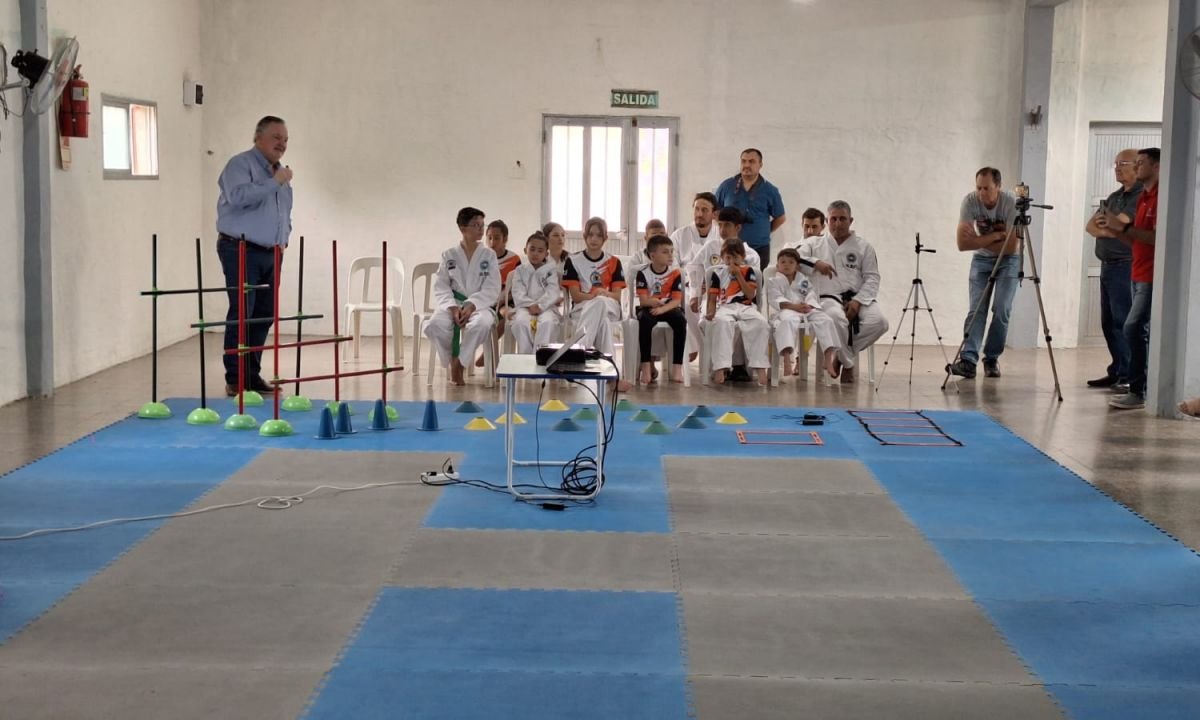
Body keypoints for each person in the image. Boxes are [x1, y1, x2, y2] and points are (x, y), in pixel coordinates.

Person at [216, 115, 293, 397]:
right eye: (276, 137)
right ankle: (236, 378)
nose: (282, 144)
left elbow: (283, 211)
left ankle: (251, 375)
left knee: (263, 314)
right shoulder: (240, 165)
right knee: (242, 313)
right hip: (240, 248)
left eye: (285, 139)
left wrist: (283, 238)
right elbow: (238, 197)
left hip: (272, 252)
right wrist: (274, 182)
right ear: (258, 138)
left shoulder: (280, 173)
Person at [796, 201, 887, 383]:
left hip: (858, 298)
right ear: (827, 221)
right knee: (835, 318)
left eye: (842, 219)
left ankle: (841, 357)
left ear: (850, 221)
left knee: (880, 323)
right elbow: (793, 256)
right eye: (834, 219)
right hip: (828, 298)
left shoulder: (864, 247)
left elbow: (872, 278)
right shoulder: (814, 243)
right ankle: (848, 363)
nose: (837, 223)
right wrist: (816, 263)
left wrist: (858, 301)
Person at [949, 167, 1019, 380]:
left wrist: (977, 240)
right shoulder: (970, 202)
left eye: (986, 188)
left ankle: (991, 358)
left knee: (1002, 309)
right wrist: (997, 236)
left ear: (999, 186)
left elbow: (1011, 247)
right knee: (976, 309)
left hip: (1009, 261)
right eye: (978, 187)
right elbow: (962, 244)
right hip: (981, 260)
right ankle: (968, 360)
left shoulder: (1011, 203)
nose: (981, 193)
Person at [1084, 149, 1142, 391]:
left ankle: (1129, 375)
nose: (1117, 168)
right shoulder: (1115, 196)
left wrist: (1111, 227)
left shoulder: (1139, 196)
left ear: (1137, 166)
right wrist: (1108, 229)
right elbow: (1091, 226)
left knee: (1123, 321)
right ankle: (1117, 369)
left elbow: (1121, 225)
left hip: (1125, 266)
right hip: (1107, 266)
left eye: (1123, 163)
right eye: (1115, 164)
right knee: (1108, 323)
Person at [1107, 148, 1160, 410]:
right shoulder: (1143, 198)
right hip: (1136, 271)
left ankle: (1139, 389)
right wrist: (1117, 231)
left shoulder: (1160, 198)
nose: (1137, 167)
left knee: (1133, 327)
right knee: (1132, 327)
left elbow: (1157, 238)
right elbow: (1136, 239)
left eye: (1141, 163)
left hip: (1151, 274)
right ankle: (1137, 386)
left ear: (1157, 166)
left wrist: (1125, 227)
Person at [424, 207, 501, 385]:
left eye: (482, 225)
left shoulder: (488, 255)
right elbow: (441, 285)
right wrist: (452, 307)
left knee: (481, 323)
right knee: (435, 325)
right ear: (462, 228)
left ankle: (460, 363)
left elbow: (492, 287)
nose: (480, 229)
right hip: (453, 304)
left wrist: (472, 305)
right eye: (475, 225)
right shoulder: (449, 255)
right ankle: (451, 358)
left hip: (479, 305)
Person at [768, 248, 847, 379]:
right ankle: (787, 358)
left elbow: (811, 294)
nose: (786, 265)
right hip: (787, 310)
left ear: (797, 266)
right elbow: (775, 299)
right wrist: (795, 307)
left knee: (826, 320)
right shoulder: (773, 281)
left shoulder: (802, 279)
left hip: (805, 309)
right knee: (787, 321)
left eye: (791, 262)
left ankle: (828, 358)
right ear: (777, 266)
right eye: (783, 262)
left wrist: (809, 305)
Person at [704, 240, 769, 386]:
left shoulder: (749, 271)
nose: (731, 261)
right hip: (725, 307)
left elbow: (750, 294)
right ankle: (721, 368)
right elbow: (712, 298)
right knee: (722, 323)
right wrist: (711, 312)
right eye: (728, 257)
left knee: (761, 323)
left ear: (742, 257)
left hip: (746, 306)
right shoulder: (717, 273)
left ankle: (760, 368)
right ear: (722, 257)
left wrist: (739, 275)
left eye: (735, 257)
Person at [562, 216, 625, 356]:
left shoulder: (614, 261)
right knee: (604, 323)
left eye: (598, 235)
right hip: (582, 307)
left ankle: (578, 351)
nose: (594, 239)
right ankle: (610, 367)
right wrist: (595, 296)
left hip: (610, 307)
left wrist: (604, 294)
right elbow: (576, 297)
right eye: (590, 235)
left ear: (605, 238)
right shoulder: (573, 260)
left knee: (601, 303)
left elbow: (616, 296)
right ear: (584, 236)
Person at [714, 148, 787, 267]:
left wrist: (765, 230)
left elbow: (780, 217)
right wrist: (724, 227)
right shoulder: (726, 186)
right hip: (730, 249)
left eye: (751, 161)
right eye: (743, 161)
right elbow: (715, 211)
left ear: (760, 164)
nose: (747, 165)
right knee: (726, 277)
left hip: (759, 248)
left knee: (756, 278)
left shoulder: (770, 190)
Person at [635, 235, 687, 385]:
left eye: (671, 251)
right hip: (650, 307)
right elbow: (643, 301)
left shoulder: (675, 273)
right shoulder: (643, 273)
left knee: (680, 321)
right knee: (644, 321)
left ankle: (677, 367)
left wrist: (662, 309)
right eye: (665, 252)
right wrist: (653, 302)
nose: (670, 255)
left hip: (668, 307)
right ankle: (646, 365)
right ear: (652, 256)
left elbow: (676, 301)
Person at [509, 231, 561, 354]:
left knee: (547, 323)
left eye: (540, 251)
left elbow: (553, 291)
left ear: (546, 253)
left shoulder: (550, 271)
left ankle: (540, 356)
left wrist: (541, 306)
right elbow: (517, 291)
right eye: (532, 249)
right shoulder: (520, 270)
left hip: (546, 308)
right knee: (520, 323)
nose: (535, 254)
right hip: (525, 307)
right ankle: (526, 357)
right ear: (525, 250)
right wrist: (530, 305)